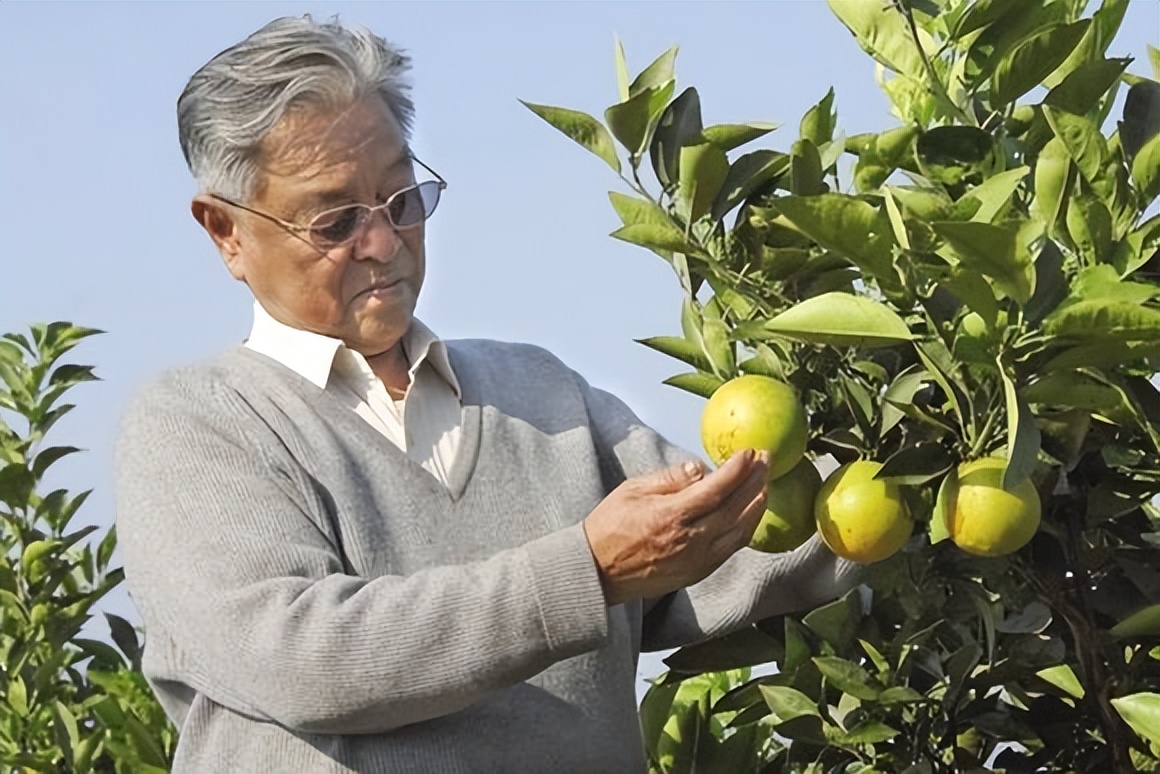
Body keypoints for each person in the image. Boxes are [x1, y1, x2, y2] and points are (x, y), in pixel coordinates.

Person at [115, 15, 857, 773]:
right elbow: (305, 660)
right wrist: (587, 572)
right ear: (225, 232)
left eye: (401, 199)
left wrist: (921, 464)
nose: (382, 242)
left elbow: (730, 542)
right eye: (335, 220)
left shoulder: (539, 393)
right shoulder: (196, 427)